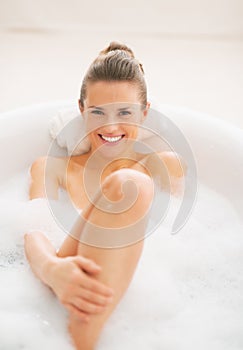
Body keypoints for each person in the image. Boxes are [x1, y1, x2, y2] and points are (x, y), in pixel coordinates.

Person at [24, 41, 185, 350]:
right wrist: (53, 270)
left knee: (130, 184)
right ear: (82, 110)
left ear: (144, 112)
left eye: (124, 112)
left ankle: (81, 339)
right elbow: (33, 232)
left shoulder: (164, 166)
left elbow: (184, 243)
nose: (110, 126)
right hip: (57, 280)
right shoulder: (51, 169)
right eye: (98, 112)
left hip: (123, 301)